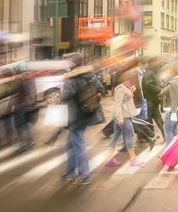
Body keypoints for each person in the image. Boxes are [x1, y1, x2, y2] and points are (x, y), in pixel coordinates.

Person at [61, 55, 104, 185]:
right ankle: (70, 171)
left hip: (75, 116)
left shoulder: (70, 79)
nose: (68, 64)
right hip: (88, 113)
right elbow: (101, 89)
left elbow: (67, 96)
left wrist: (61, 94)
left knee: (78, 144)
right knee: (71, 143)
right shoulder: (91, 76)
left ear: (73, 64)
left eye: (69, 62)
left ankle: (85, 175)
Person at [105, 71, 144, 167]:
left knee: (116, 136)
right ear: (129, 79)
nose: (134, 81)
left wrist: (131, 91)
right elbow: (118, 103)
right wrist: (120, 118)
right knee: (130, 135)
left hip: (122, 115)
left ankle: (109, 158)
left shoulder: (126, 87)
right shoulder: (121, 89)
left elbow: (125, 100)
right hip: (123, 116)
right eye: (133, 79)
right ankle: (133, 159)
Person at [161, 64, 178, 146]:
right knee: (174, 129)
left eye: (169, 70)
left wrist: (173, 113)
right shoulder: (176, 80)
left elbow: (174, 99)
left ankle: (169, 151)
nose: (167, 72)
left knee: (168, 130)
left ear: (173, 72)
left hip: (173, 109)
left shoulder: (173, 84)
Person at [143, 57, 165, 140]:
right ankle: (150, 135)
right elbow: (148, 85)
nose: (158, 63)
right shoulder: (149, 73)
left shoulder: (153, 72)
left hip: (154, 99)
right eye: (157, 61)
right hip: (150, 99)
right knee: (149, 118)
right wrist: (158, 90)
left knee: (157, 117)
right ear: (152, 63)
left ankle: (164, 134)